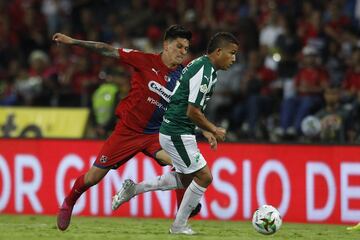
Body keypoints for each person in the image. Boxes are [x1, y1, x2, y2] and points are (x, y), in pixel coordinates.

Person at [53, 25, 202, 231]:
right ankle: (69, 201)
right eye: (179, 46)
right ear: (166, 45)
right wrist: (75, 42)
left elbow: (188, 109)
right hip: (127, 132)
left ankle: (181, 212)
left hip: (155, 135)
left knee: (181, 162)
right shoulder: (143, 60)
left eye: (186, 48)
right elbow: (106, 49)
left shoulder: (183, 78)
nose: (183, 52)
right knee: (93, 177)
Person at [112, 32, 239, 235]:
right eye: (231, 53)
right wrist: (213, 128)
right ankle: (179, 226)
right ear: (218, 51)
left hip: (177, 129)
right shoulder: (204, 71)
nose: (234, 59)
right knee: (205, 177)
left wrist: (206, 130)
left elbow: (190, 106)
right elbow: (192, 111)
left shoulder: (204, 67)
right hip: (177, 131)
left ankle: (133, 189)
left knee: (184, 178)